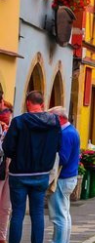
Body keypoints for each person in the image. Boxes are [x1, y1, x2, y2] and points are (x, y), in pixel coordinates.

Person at [1, 91, 61, 243]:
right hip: (41, 173)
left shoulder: (19, 122)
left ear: (28, 103)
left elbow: (7, 148)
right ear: (42, 104)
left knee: (18, 214)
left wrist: (18, 154)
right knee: (37, 214)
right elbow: (58, 146)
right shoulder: (54, 122)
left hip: (19, 174)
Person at [46, 107, 79, 243]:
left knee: (58, 216)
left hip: (62, 178)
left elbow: (62, 159)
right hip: (69, 177)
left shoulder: (65, 134)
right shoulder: (71, 131)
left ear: (59, 118)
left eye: (50, 118)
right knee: (64, 213)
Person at [0, 104, 13, 243]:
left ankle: (2, 236)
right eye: (4, 111)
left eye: (9, 112)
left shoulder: (11, 129)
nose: (7, 114)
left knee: (5, 207)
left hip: (8, 171)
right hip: (1, 169)